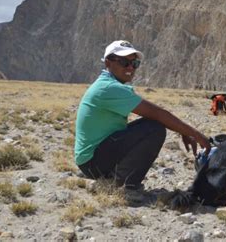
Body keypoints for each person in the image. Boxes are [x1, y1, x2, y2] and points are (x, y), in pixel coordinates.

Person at [75, 40, 211, 202]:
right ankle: (120, 184)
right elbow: (159, 114)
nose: (131, 68)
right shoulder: (109, 88)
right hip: (93, 162)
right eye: (125, 62)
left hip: (91, 160)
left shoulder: (109, 85)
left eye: (135, 63)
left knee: (150, 125)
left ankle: (116, 178)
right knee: (154, 129)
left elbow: (153, 114)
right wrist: (196, 135)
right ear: (108, 63)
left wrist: (183, 131)